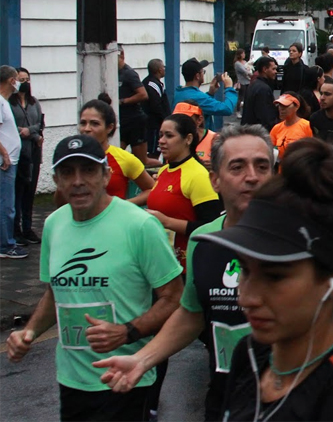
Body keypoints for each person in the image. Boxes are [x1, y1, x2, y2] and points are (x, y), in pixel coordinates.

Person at [197, 138, 333, 421]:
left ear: (332, 283)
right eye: (245, 269)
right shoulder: (251, 353)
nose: (246, 296)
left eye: (275, 277)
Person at [91, 126, 273, 422]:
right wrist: (141, 359)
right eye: (237, 167)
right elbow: (191, 314)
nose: (251, 176)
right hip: (225, 404)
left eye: (262, 166)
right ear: (215, 180)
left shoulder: (302, 239)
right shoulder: (205, 241)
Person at [5, 134, 183, 421]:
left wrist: (128, 331)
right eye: (67, 172)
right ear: (57, 181)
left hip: (125, 377)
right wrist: (30, 332)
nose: (77, 181)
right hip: (71, 381)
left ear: (106, 175)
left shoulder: (140, 225)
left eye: (88, 170)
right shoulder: (53, 225)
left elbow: (174, 298)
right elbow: (55, 292)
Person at [146, 114, 222, 271]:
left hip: (188, 267)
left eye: (169, 135)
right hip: (161, 262)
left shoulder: (198, 175)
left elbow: (211, 226)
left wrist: (167, 222)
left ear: (188, 139)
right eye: (160, 135)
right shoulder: (163, 171)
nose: (161, 141)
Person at [76, 97, 155, 205]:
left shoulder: (124, 159)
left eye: (95, 124)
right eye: (83, 123)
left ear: (109, 127)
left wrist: (123, 206)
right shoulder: (72, 157)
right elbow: (61, 202)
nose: (87, 129)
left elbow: (151, 190)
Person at [11, 67, 43, 244]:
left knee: (30, 191)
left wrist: (29, 131)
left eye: (27, 79)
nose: (25, 83)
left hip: (33, 152)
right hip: (18, 152)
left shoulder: (34, 103)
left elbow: (39, 124)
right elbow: (8, 126)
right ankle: (15, 229)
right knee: (17, 191)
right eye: (21, 80)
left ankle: (28, 228)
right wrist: (24, 132)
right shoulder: (9, 103)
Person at [0, 65, 26, 258]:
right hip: (4, 163)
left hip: (11, 160)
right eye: (17, 79)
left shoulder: (5, 102)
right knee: (6, 205)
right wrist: (5, 154)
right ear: (11, 81)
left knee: (9, 203)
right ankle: (6, 245)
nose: (18, 82)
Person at [174, 57, 237, 132]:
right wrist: (229, 88)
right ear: (197, 76)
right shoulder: (198, 97)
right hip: (198, 140)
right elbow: (227, 109)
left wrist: (210, 94)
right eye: (203, 72)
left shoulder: (179, 92)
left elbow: (201, 107)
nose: (203, 74)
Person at [117, 47, 150, 165]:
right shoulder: (111, 73)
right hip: (121, 122)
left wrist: (123, 101)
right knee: (116, 157)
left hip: (135, 121)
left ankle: (161, 171)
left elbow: (143, 94)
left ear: (121, 56)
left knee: (141, 161)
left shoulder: (129, 74)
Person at [269, 92, 313, 163]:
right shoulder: (276, 128)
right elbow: (270, 151)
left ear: (296, 107)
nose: (281, 109)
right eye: (280, 105)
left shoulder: (307, 126)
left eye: (285, 106)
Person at [172, 100, 217, 169]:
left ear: (199, 120)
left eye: (185, 120)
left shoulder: (215, 140)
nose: (180, 123)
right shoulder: (171, 140)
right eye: (176, 119)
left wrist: (215, 165)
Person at [141, 59, 170, 161]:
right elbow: (156, 106)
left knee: (157, 151)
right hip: (153, 125)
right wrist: (164, 120)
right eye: (163, 67)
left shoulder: (156, 83)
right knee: (153, 152)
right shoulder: (151, 84)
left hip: (156, 124)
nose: (164, 69)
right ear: (159, 70)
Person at [241, 57, 278, 130]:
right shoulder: (263, 89)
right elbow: (265, 115)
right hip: (258, 132)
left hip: (249, 130)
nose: (276, 72)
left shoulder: (253, 85)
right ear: (265, 69)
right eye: (273, 69)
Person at [233, 48, 252, 113]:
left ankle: (245, 111)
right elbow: (244, 71)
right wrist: (250, 74)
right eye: (242, 53)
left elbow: (249, 68)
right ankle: (238, 111)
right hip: (242, 82)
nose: (244, 55)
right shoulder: (237, 63)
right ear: (239, 55)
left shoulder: (245, 62)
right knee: (241, 97)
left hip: (248, 81)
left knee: (247, 97)